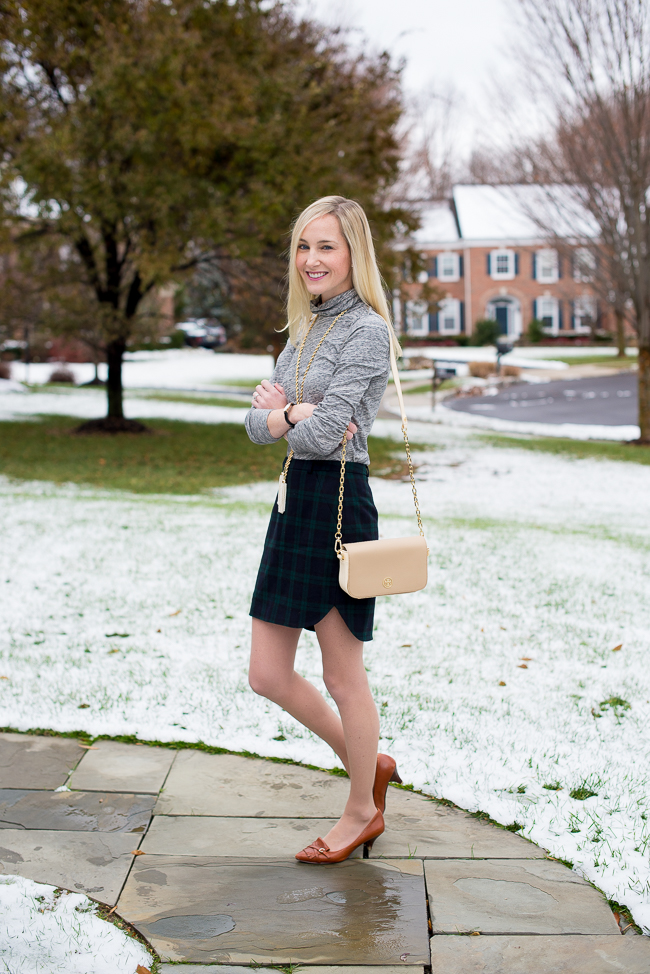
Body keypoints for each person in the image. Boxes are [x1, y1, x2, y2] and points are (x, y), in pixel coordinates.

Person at [245, 195, 401, 864]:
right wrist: (289, 415)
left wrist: (290, 414)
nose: (312, 259)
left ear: (352, 254)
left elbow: (329, 431)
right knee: (266, 673)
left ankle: (362, 808)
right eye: (304, 246)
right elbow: (259, 427)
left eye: (327, 246)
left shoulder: (367, 331)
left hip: (341, 506)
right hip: (294, 506)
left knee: (344, 677)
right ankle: (365, 761)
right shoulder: (301, 328)